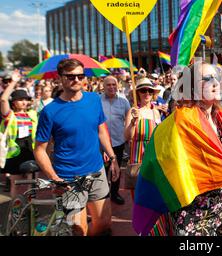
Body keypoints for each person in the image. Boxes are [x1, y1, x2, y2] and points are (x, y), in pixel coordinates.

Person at [132, 61, 222, 236]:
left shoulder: (221, 117)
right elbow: (166, 163)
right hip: (195, 214)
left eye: (216, 77)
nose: (215, 82)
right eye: (207, 78)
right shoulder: (181, 122)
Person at [34, 59, 120, 236]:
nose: (76, 80)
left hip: (96, 171)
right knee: (78, 229)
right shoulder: (49, 111)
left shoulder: (94, 99)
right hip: (68, 179)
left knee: (104, 225)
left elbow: (101, 130)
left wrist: (113, 158)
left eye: (80, 76)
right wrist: (54, 178)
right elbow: (39, 149)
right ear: (60, 78)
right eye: (71, 76)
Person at [0, 70, 38, 198]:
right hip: (14, 155)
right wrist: (14, 82)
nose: (24, 102)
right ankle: (15, 209)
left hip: (29, 151)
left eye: (25, 99)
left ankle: (31, 208)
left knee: (32, 184)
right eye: (20, 99)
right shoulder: (9, 116)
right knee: (15, 185)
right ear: (14, 102)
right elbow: (4, 99)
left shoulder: (32, 114)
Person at [124, 77, 161, 196]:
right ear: (137, 93)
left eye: (150, 91)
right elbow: (127, 136)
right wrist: (133, 123)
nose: (147, 93)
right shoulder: (133, 111)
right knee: (138, 195)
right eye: (143, 90)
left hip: (152, 158)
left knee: (152, 194)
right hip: (137, 157)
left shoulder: (155, 112)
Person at [101, 75, 131, 205]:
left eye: (114, 84)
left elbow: (128, 121)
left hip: (118, 142)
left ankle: (114, 193)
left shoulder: (124, 102)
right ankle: (102, 195)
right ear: (103, 86)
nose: (112, 87)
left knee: (116, 170)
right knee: (102, 171)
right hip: (101, 144)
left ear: (118, 86)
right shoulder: (97, 101)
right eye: (108, 85)